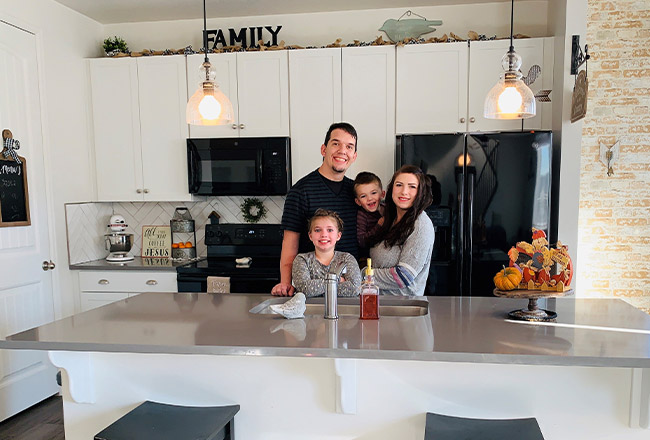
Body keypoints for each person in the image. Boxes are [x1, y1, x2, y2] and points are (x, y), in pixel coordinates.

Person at [272, 122, 359, 296]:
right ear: (323, 149)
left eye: (349, 147)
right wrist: (285, 283)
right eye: (336, 144)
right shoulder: (301, 191)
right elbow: (290, 245)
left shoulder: (356, 192)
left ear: (354, 156)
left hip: (348, 290)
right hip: (311, 291)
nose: (342, 151)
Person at [368, 165, 435, 296]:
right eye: (399, 185)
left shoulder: (421, 225)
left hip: (403, 309)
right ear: (391, 188)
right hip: (381, 304)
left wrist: (363, 274)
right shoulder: (390, 219)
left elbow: (403, 276)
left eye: (412, 187)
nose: (404, 192)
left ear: (420, 192)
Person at [291, 209, 361, 297]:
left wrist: (317, 287)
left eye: (330, 230)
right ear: (310, 236)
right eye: (317, 230)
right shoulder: (302, 259)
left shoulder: (347, 258)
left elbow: (355, 288)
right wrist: (337, 280)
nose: (324, 234)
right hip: (310, 309)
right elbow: (305, 289)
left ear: (338, 236)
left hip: (340, 309)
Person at [353, 171, 385, 259]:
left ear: (382, 194)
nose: (369, 198)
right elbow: (361, 241)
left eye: (373, 193)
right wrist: (379, 226)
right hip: (369, 258)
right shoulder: (362, 215)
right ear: (358, 202)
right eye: (363, 196)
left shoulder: (387, 209)